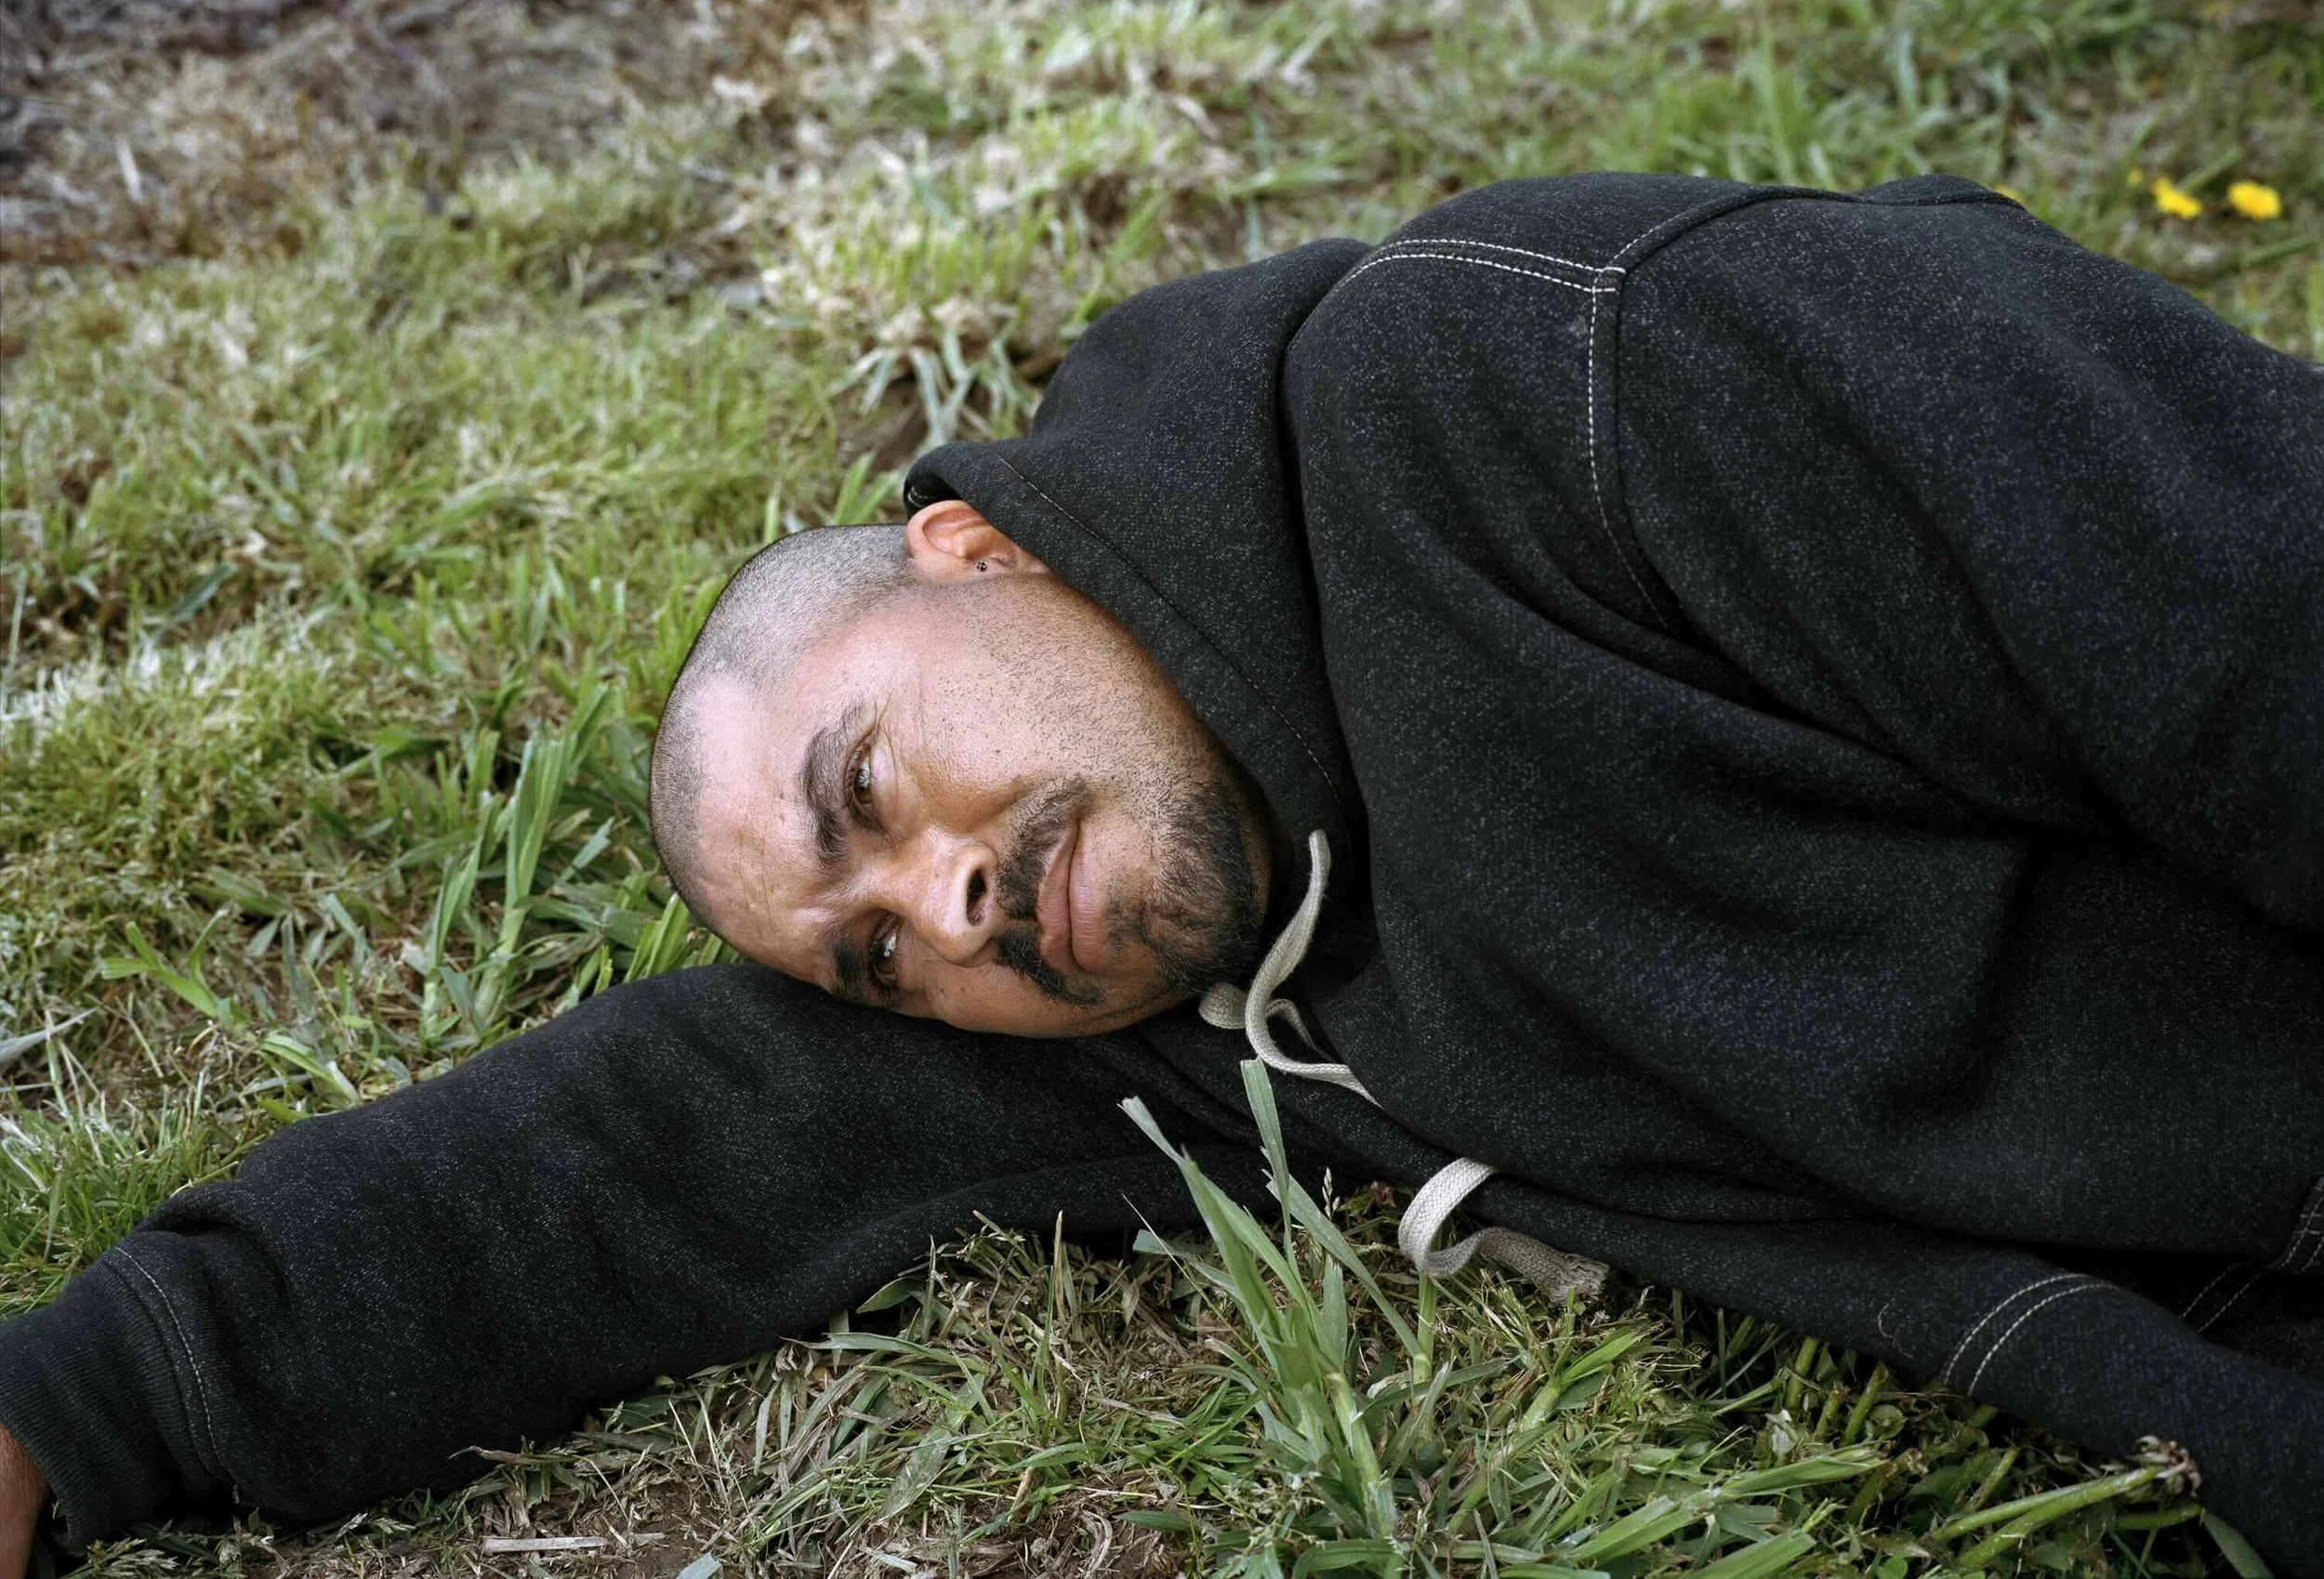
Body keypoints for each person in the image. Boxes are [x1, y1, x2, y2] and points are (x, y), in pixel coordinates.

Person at [2, 171, 2322, 1572]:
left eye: (872, 786)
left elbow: (2251, 619)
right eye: (874, 955)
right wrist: (75, 1407)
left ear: (972, 542)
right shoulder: (1206, 1001)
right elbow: (640, 1149)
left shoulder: (1548, 387)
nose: (942, 910)